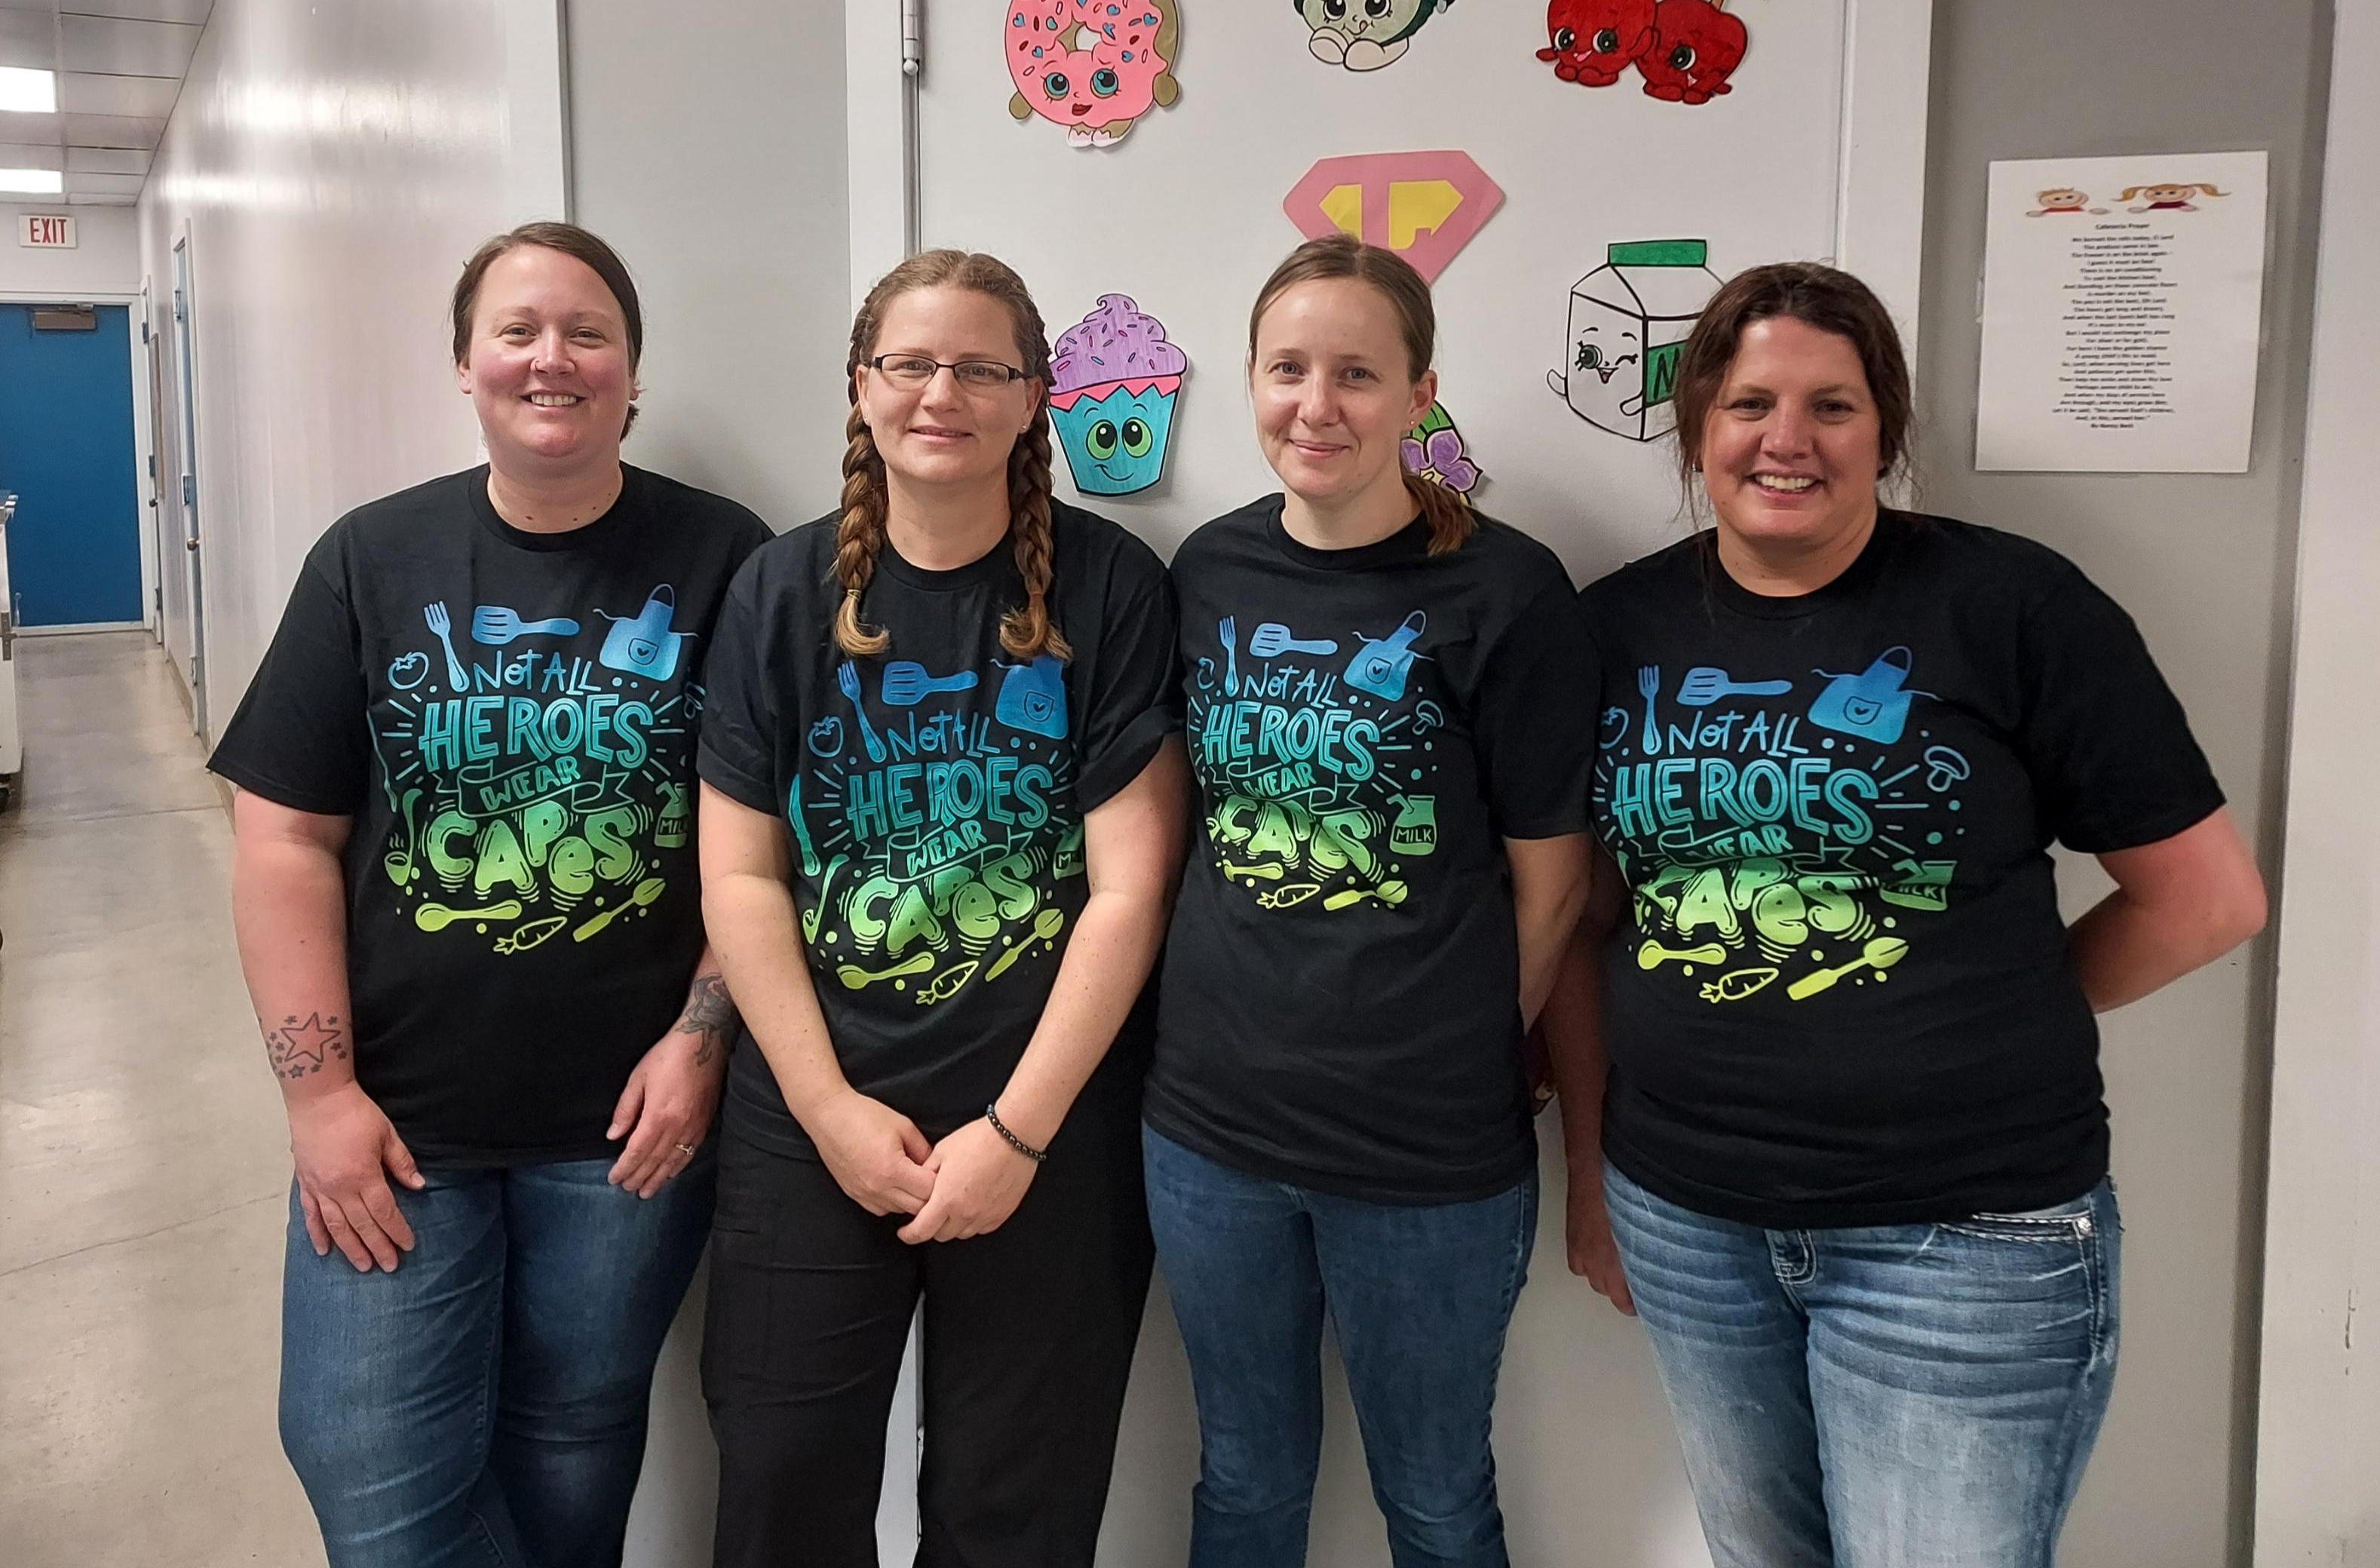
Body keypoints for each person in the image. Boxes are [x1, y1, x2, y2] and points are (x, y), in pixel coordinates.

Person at [1542, 261, 2268, 1568]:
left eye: (1833, 405)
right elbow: (1594, 926)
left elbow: (2207, 899)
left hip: (1965, 1244)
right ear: (1696, 422)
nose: (1787, 439)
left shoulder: (2011, 607)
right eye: (1750, 400)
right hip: (1692, 1218)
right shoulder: (1615, 628)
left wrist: (1999, 1007)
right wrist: (1594, 1175)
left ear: (1887, 428)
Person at [211, 221, 771, 1566]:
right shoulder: (373, 559)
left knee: (573, 1441)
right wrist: (317, 1095)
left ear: (633, 372)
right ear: (464, 363)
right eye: (516, 331)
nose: (551, 360)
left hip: (627, 1126)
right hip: (401, 1120)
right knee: (372, 1483)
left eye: (588, 333)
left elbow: (766, 837)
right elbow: (283, 836)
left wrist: (703, 1040)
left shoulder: (727, 558)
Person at [695, 248, 1185, 1568]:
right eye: (911, 363)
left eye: (983, 367)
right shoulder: (780, 593)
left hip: (1046, 1127)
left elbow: (1130, 891)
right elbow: (740, 878)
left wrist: (1015, 1136)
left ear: (1036, 398)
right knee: (782, 1481)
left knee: (1015, 1511)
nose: (943, 392)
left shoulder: (1109, 587)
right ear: (861, 388)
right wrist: (829, 1112)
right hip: (815, 1117)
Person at [1144, 235, 1596, 1568]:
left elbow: (1555, 878)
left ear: (1419, 393)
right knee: (1241, 1482)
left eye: (1357, 372)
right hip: (1211, 1131)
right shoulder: (1207, 575)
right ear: (1251, 381)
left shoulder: (1507, 592)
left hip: (1429, 1156)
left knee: (1440, 1498)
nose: (1317, 404)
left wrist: (1454, 1043)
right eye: (1289, 369)